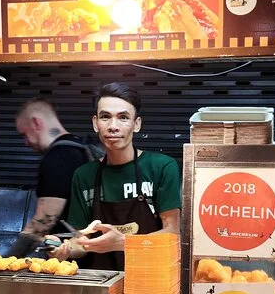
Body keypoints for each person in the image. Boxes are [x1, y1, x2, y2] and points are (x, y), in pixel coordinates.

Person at [49, 82, 181, 270]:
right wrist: (64, 249)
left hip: (151, 277)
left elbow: (172, 233)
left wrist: (124, 242)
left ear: (137, 124)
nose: (113, 126)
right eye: (105, 117)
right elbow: (80, 240)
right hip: (102, 281)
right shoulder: (84, 175)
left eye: (123, 118)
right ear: (95, 123)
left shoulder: (162, 167)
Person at [8, 98, 95, 255]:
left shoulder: (59, 157)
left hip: (70, 256)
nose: (26, 142)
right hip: (89, 251)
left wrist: (8, 259)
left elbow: (42, 223)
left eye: (24, 134)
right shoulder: (81, 148)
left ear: (36, 123)